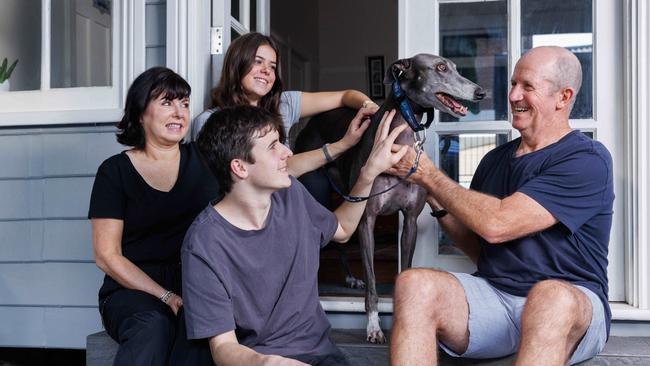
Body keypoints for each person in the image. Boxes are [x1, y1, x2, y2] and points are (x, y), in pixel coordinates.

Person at [387, 46, 614, 365]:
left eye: (528, 87)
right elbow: (480, 245)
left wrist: (429, 173)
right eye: (512, 84)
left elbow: (497, 225)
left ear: (563, 97)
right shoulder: (494, 160)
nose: (513, 95)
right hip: (495, 299)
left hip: (569, 306)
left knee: (549, 296)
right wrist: (431, 192)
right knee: (413, 283)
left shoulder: (587, 159)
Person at [181, 105, 407, 366]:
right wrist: (271, 363)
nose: (287, 152)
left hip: (322, 356)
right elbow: (223, 349)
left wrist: (369, 172)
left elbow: (343, 230)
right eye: (272, 146)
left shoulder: (291, 195)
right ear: (240, 167)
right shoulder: (203, 243)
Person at [88, 67, 215, 365]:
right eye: (167, 102)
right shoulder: (114, 172)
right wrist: (165, 296)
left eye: (184, 103)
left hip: (197, 281)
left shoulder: (206, 158)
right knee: (152, 327)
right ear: (141, 112)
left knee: (201, 331)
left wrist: (335, 149)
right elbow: (107, 256)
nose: (179, 112)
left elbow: (261, 166)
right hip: (132, 288)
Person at [191, 32, 379, 180]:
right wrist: (342, 145)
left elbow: (346, 96)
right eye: (258, 61)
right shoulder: (210, 122)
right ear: (236, 65)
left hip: (286, 195)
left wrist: (371, 107)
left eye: (272, 66)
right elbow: (275, 170)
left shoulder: (284, 104)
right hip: (250, 207)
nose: (266, 70)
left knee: (316, 180)